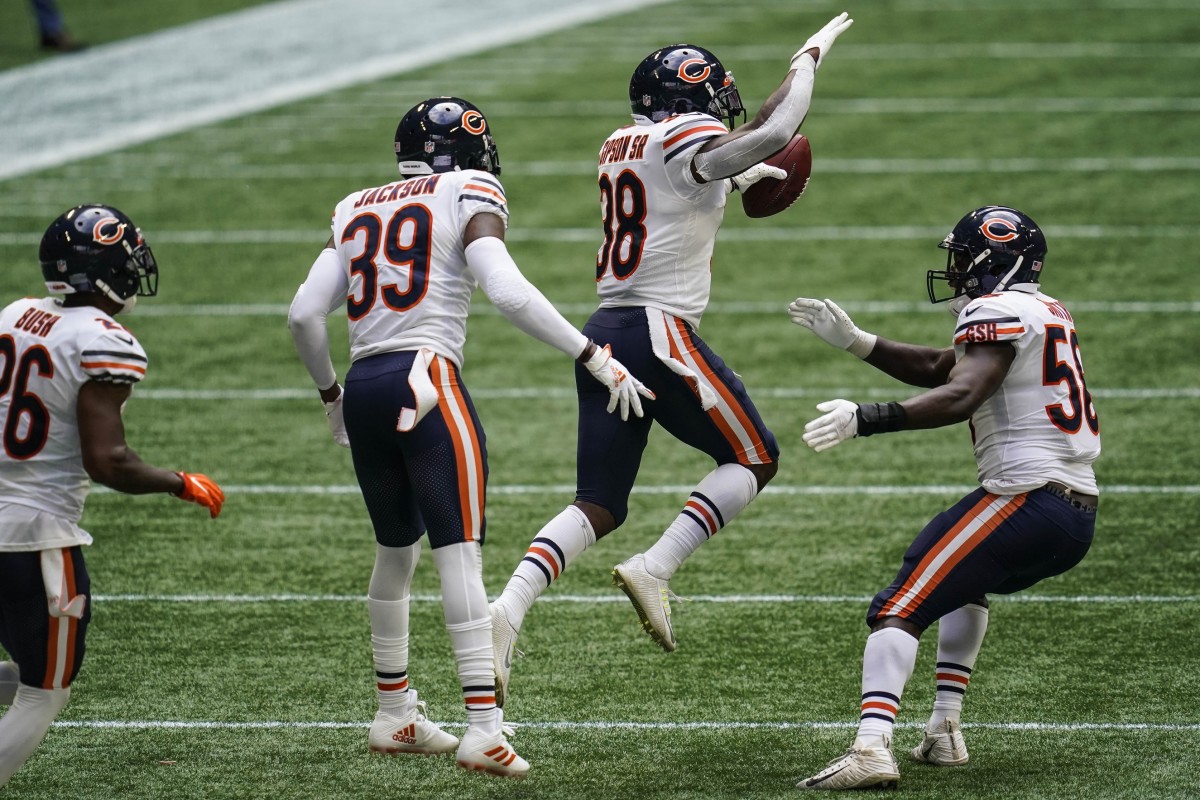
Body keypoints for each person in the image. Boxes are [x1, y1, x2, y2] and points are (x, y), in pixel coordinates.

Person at [487, 12, 855, 705]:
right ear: (686, 102)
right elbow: (772, 132)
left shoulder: (623, 142)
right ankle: (655, 568)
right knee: (754, 457)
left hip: (605, 334)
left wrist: (739, 166)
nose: (723, 112)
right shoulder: (684, 139)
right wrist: (807, 61)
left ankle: (507, 607)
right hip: (660, 333)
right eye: (713, 99)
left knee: (597, 501)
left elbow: (716, 164)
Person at [287, 96, 652, 778]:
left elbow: (305, 313)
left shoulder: (354, 204)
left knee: (395, 551)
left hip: (365, 385)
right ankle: (483, 727)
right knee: (460, 556)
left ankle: (394, 714)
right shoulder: (469, 188)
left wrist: (331, 396)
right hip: (427, 381)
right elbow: (508, 292)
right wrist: (592, 353)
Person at [788, 206, 1100, 790]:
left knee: (899, 605)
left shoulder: (995, 309)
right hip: (1074, 509)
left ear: (994, 263)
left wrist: (868, 418)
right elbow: (944, 366)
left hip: (1026, 497)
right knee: (962, 583)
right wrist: (859, 342)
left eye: (963, 260)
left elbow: (960, 393)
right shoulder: (1044, 310)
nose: (955, 272)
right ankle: (943, 732)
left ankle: (872, 746)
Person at [0, 205, 224, 788]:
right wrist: (179, 481)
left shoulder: (16, 313)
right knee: (46, 689)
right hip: (35, 537)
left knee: (35, 665)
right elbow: (109, 461)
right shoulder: (103, 340)